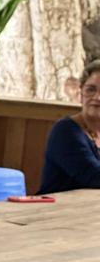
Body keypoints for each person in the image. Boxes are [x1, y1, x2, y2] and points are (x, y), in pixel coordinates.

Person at [40, 58, 100, 193]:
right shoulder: (66, 131)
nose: (97, 97)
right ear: (81, 93)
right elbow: (94, 177)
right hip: (57, 206)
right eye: (91, 89)